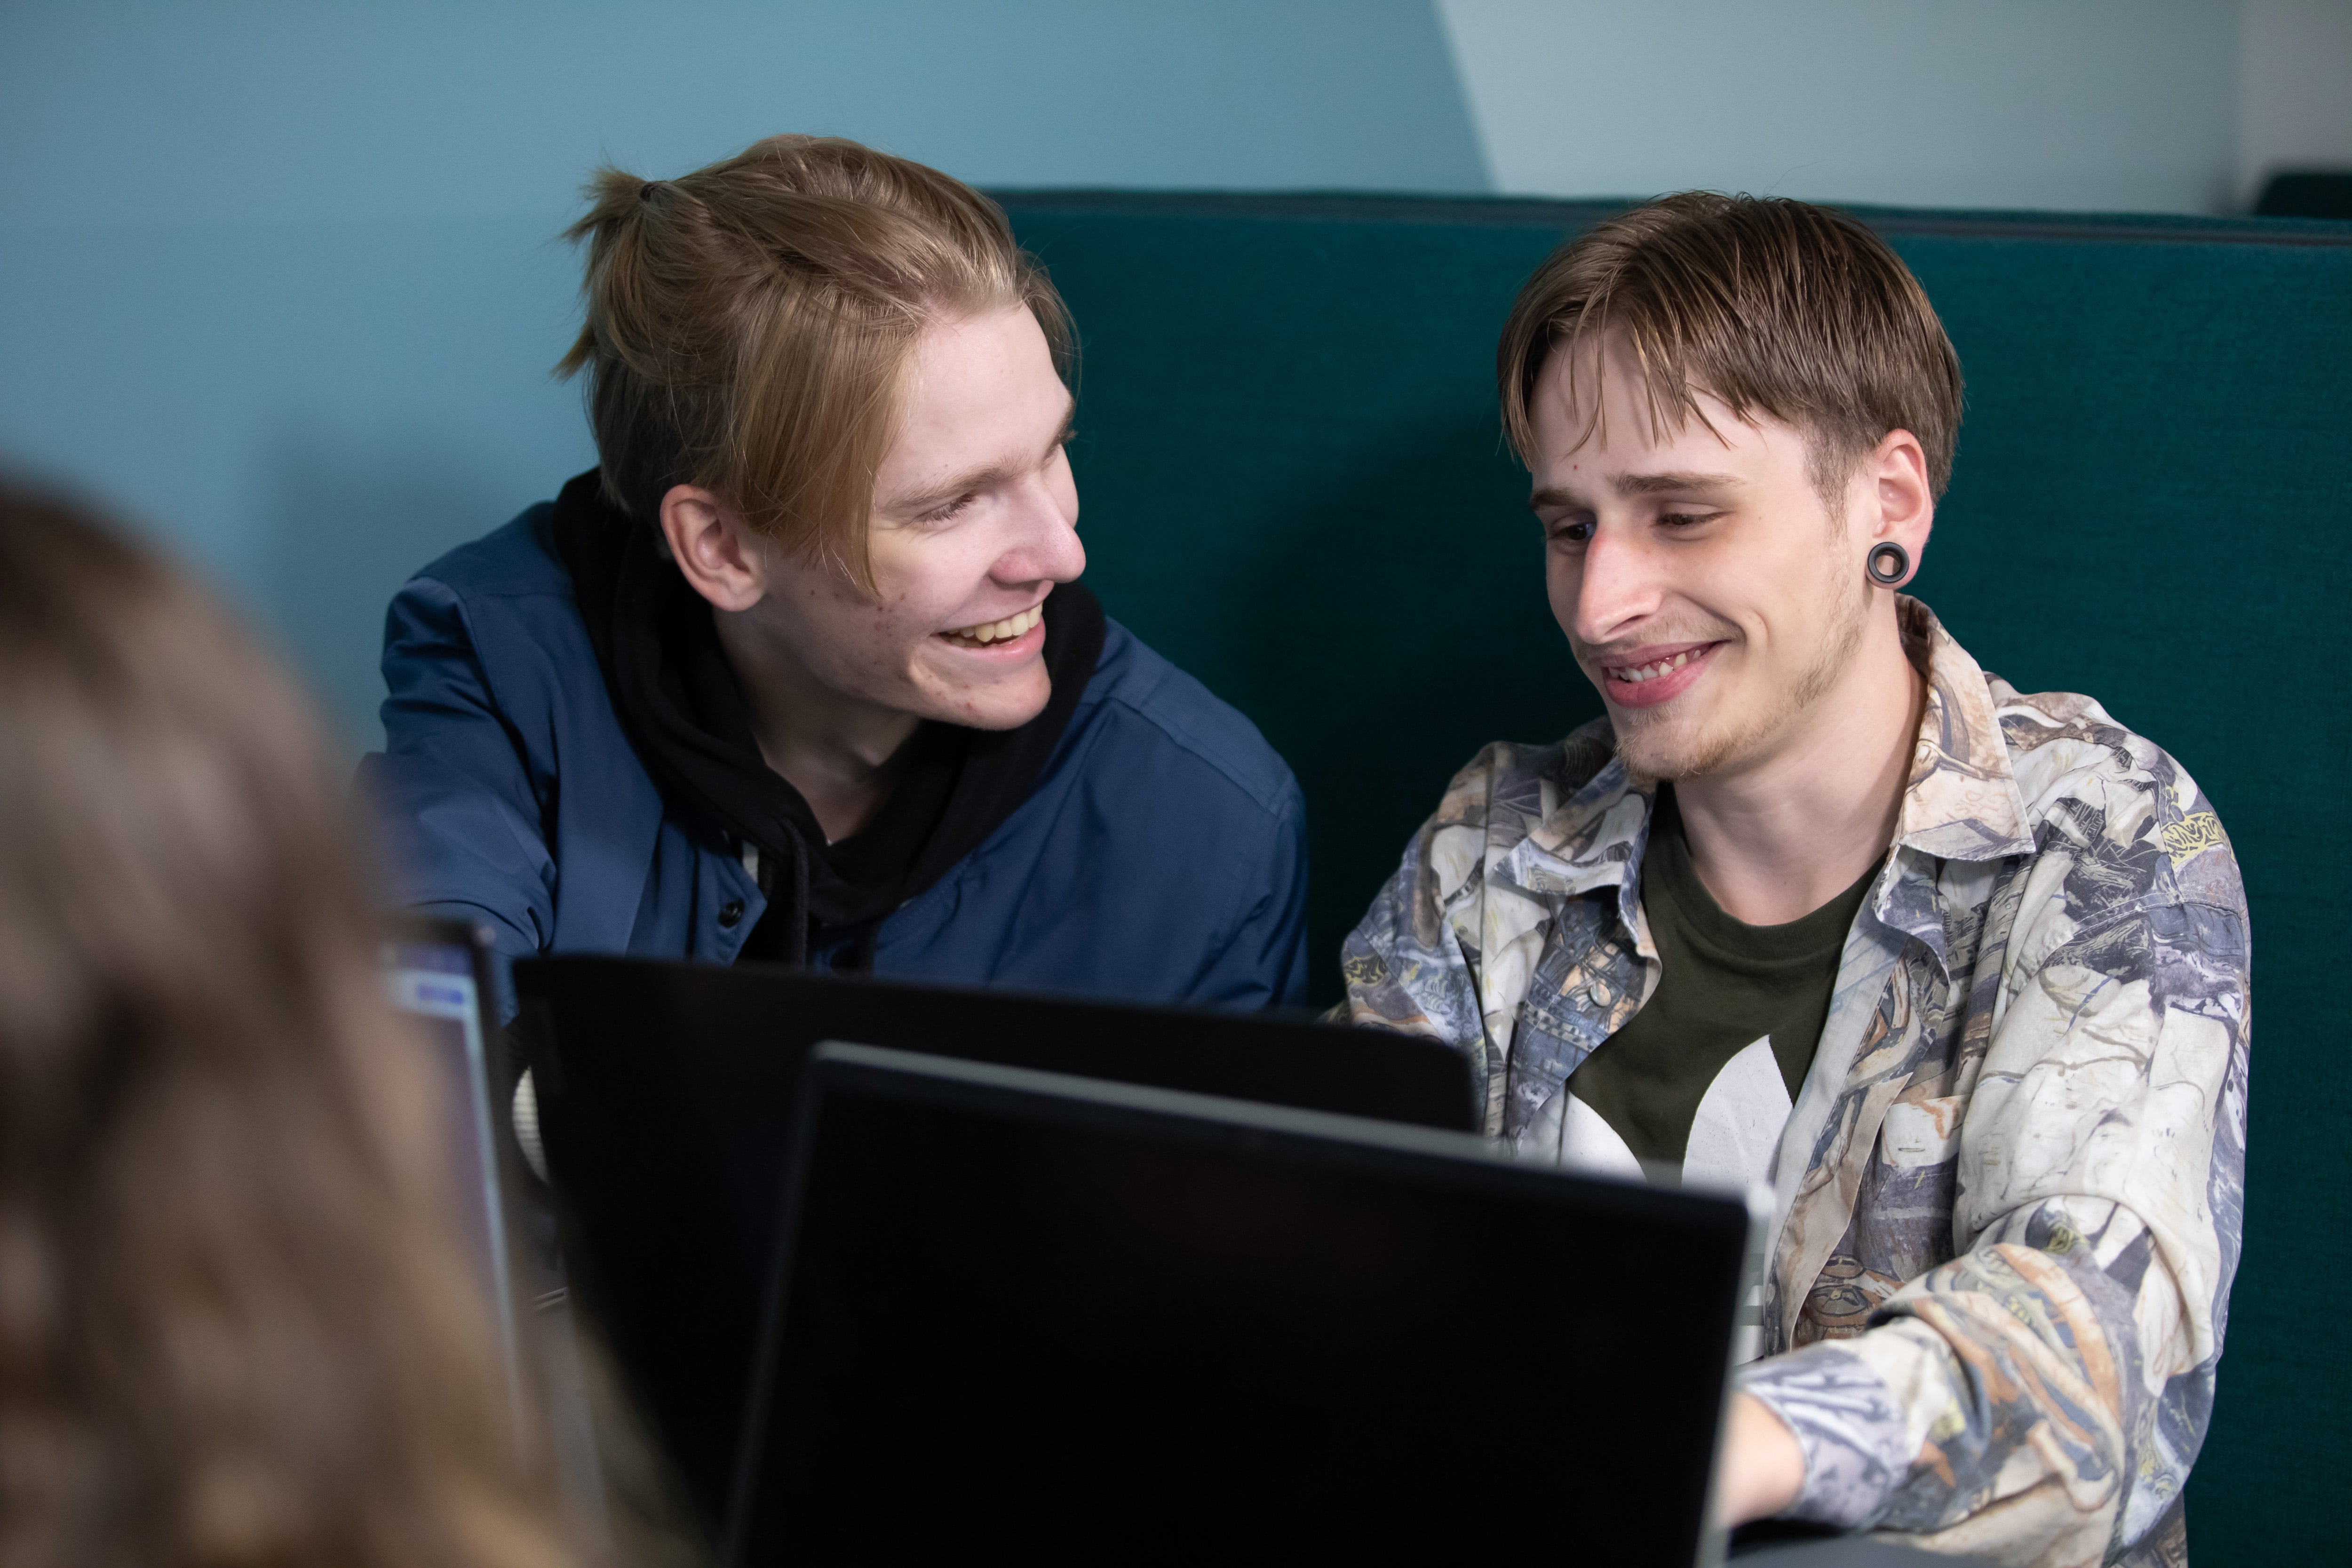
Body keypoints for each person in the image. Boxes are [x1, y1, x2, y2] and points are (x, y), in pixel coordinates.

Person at [1340, 195, 2246, 1566]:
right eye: (1572, 528)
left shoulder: (2105, 837)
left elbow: (2090, 1359)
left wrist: (1709, 1442)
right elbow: (1336, 1244)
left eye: (1683, 514)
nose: (1602, 605)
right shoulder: (1495, 845)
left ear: (1888, 503)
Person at [362, 135, 1308, 1011]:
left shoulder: (1209, 830)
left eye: (1053, 449)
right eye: (951, 503)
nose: (1063, 554)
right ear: (723, 549)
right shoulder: (498, 660)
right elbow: (421, 1057)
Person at [0, 481, 618, 1567]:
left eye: (1037, 453)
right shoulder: (489, 639)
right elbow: (440, 963)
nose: (1032, 552)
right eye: (950, 504)